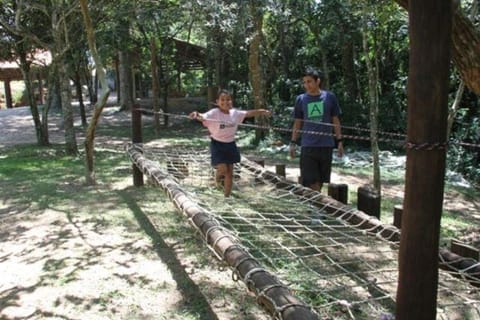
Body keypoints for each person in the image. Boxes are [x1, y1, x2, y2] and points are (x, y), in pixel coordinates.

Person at [189, 89, 271, 197]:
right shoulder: (214, 113)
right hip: (217, 144)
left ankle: (227, 196)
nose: (225, 102)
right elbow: (203, 116)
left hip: (230, 144)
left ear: (231, 101)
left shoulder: (235, 113)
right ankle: (217, 178)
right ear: (217, 102)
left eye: (228, 99)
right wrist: (196, 114)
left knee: (229, 172)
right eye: (222, 100)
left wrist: (262, 111)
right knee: (223, 169)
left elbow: (248, 113)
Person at [289, 68, 344, 193]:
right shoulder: (301, 99)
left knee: (320, 181)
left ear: (317, 81)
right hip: (308, 146)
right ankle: (314, 209)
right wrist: (293, 142)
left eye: (309, 82)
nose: (306, 85)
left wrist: (339, 141)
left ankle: (316, 207)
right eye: (304, 82)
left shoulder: (330, 97)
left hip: (326, 145)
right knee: (311, 181)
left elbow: (335, 120)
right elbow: (297, 123)